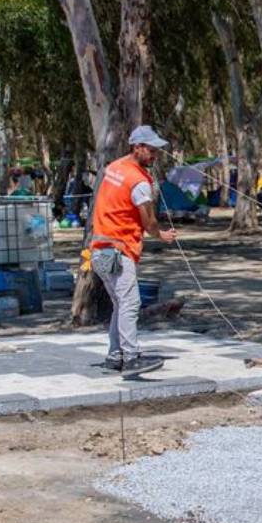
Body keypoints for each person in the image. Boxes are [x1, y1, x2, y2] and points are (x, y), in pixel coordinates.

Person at [89, 126, 177, 377]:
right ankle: (131, 357)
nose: (154, 155)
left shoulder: (114, 167)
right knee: (130, 303)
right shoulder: (138, 181)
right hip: (118, 249)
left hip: (100, 249)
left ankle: (115, 355)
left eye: (156, 151)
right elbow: (148, 222)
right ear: (137, 146)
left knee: (120, 303)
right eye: (151, 150)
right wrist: (162, 235)